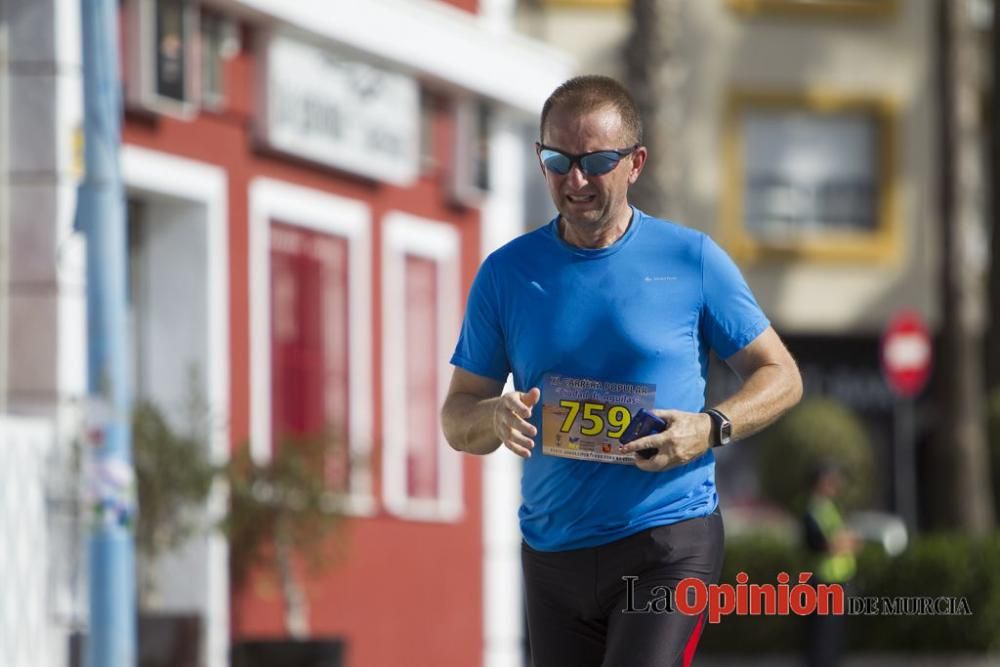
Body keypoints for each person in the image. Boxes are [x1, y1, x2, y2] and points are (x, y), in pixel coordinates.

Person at [441, 74, 802, 667]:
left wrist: (710, 427)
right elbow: (457, 416)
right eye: (557, 160)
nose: (575, 180)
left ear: (634, 163)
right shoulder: (507, 274)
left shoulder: (692, 259)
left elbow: (781, 375)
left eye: (596, 161)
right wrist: (493, 417)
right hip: (552, 552)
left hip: (667, 540)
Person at [802, 461, 860, 667]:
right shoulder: (814, 511)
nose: (834, 485)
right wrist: (843, 542)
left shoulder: (829, 509)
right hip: (823, 584)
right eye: (830, 480)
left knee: (833, 638)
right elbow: (817, 543)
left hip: (836, 582)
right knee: (822, 640)